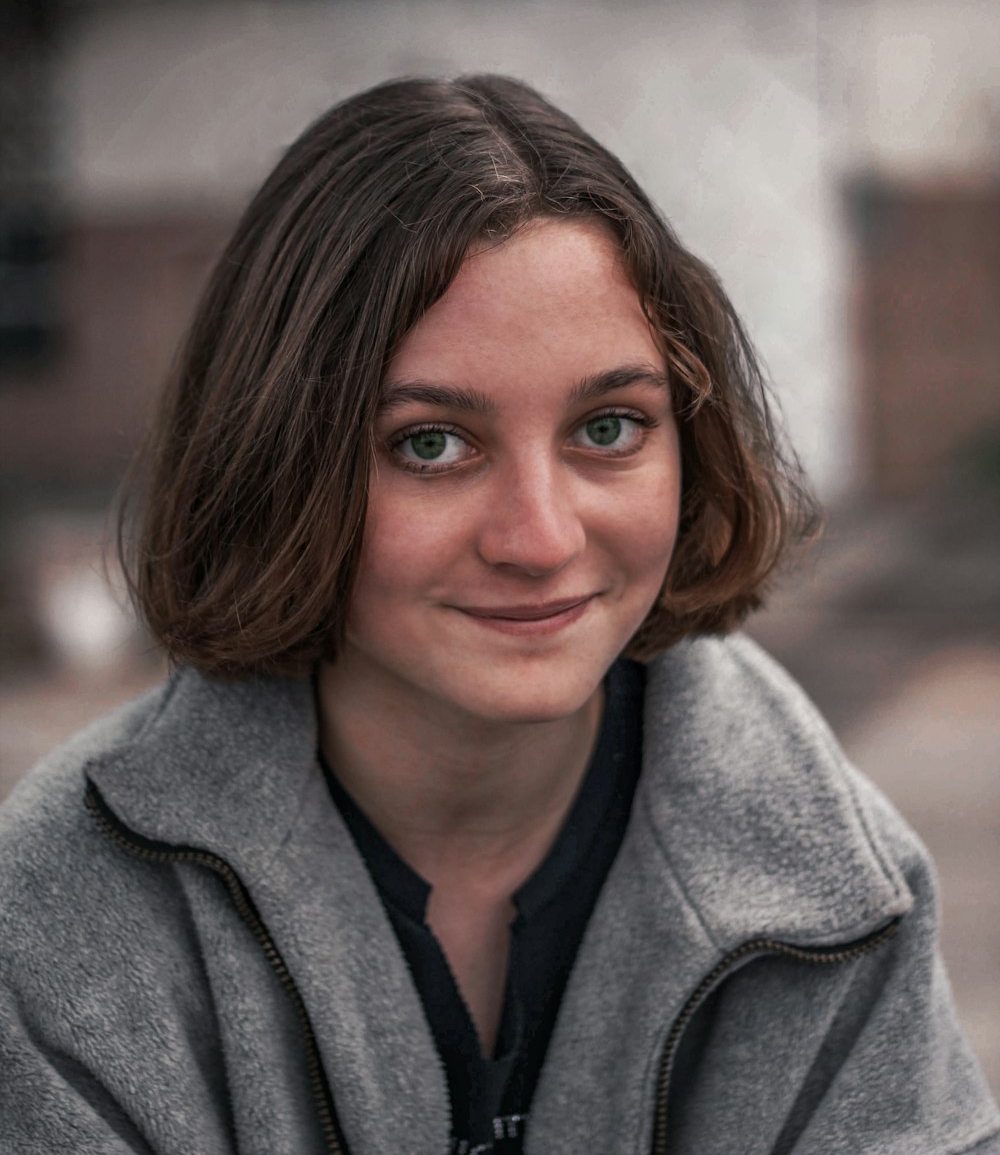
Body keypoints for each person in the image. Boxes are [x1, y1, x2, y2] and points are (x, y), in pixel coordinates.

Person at [0, 74, 997, 1155]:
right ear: (276, 461)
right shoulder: (62, 918)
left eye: (608, 428)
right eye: (431, 443)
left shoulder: (842, 888)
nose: (541, 539)